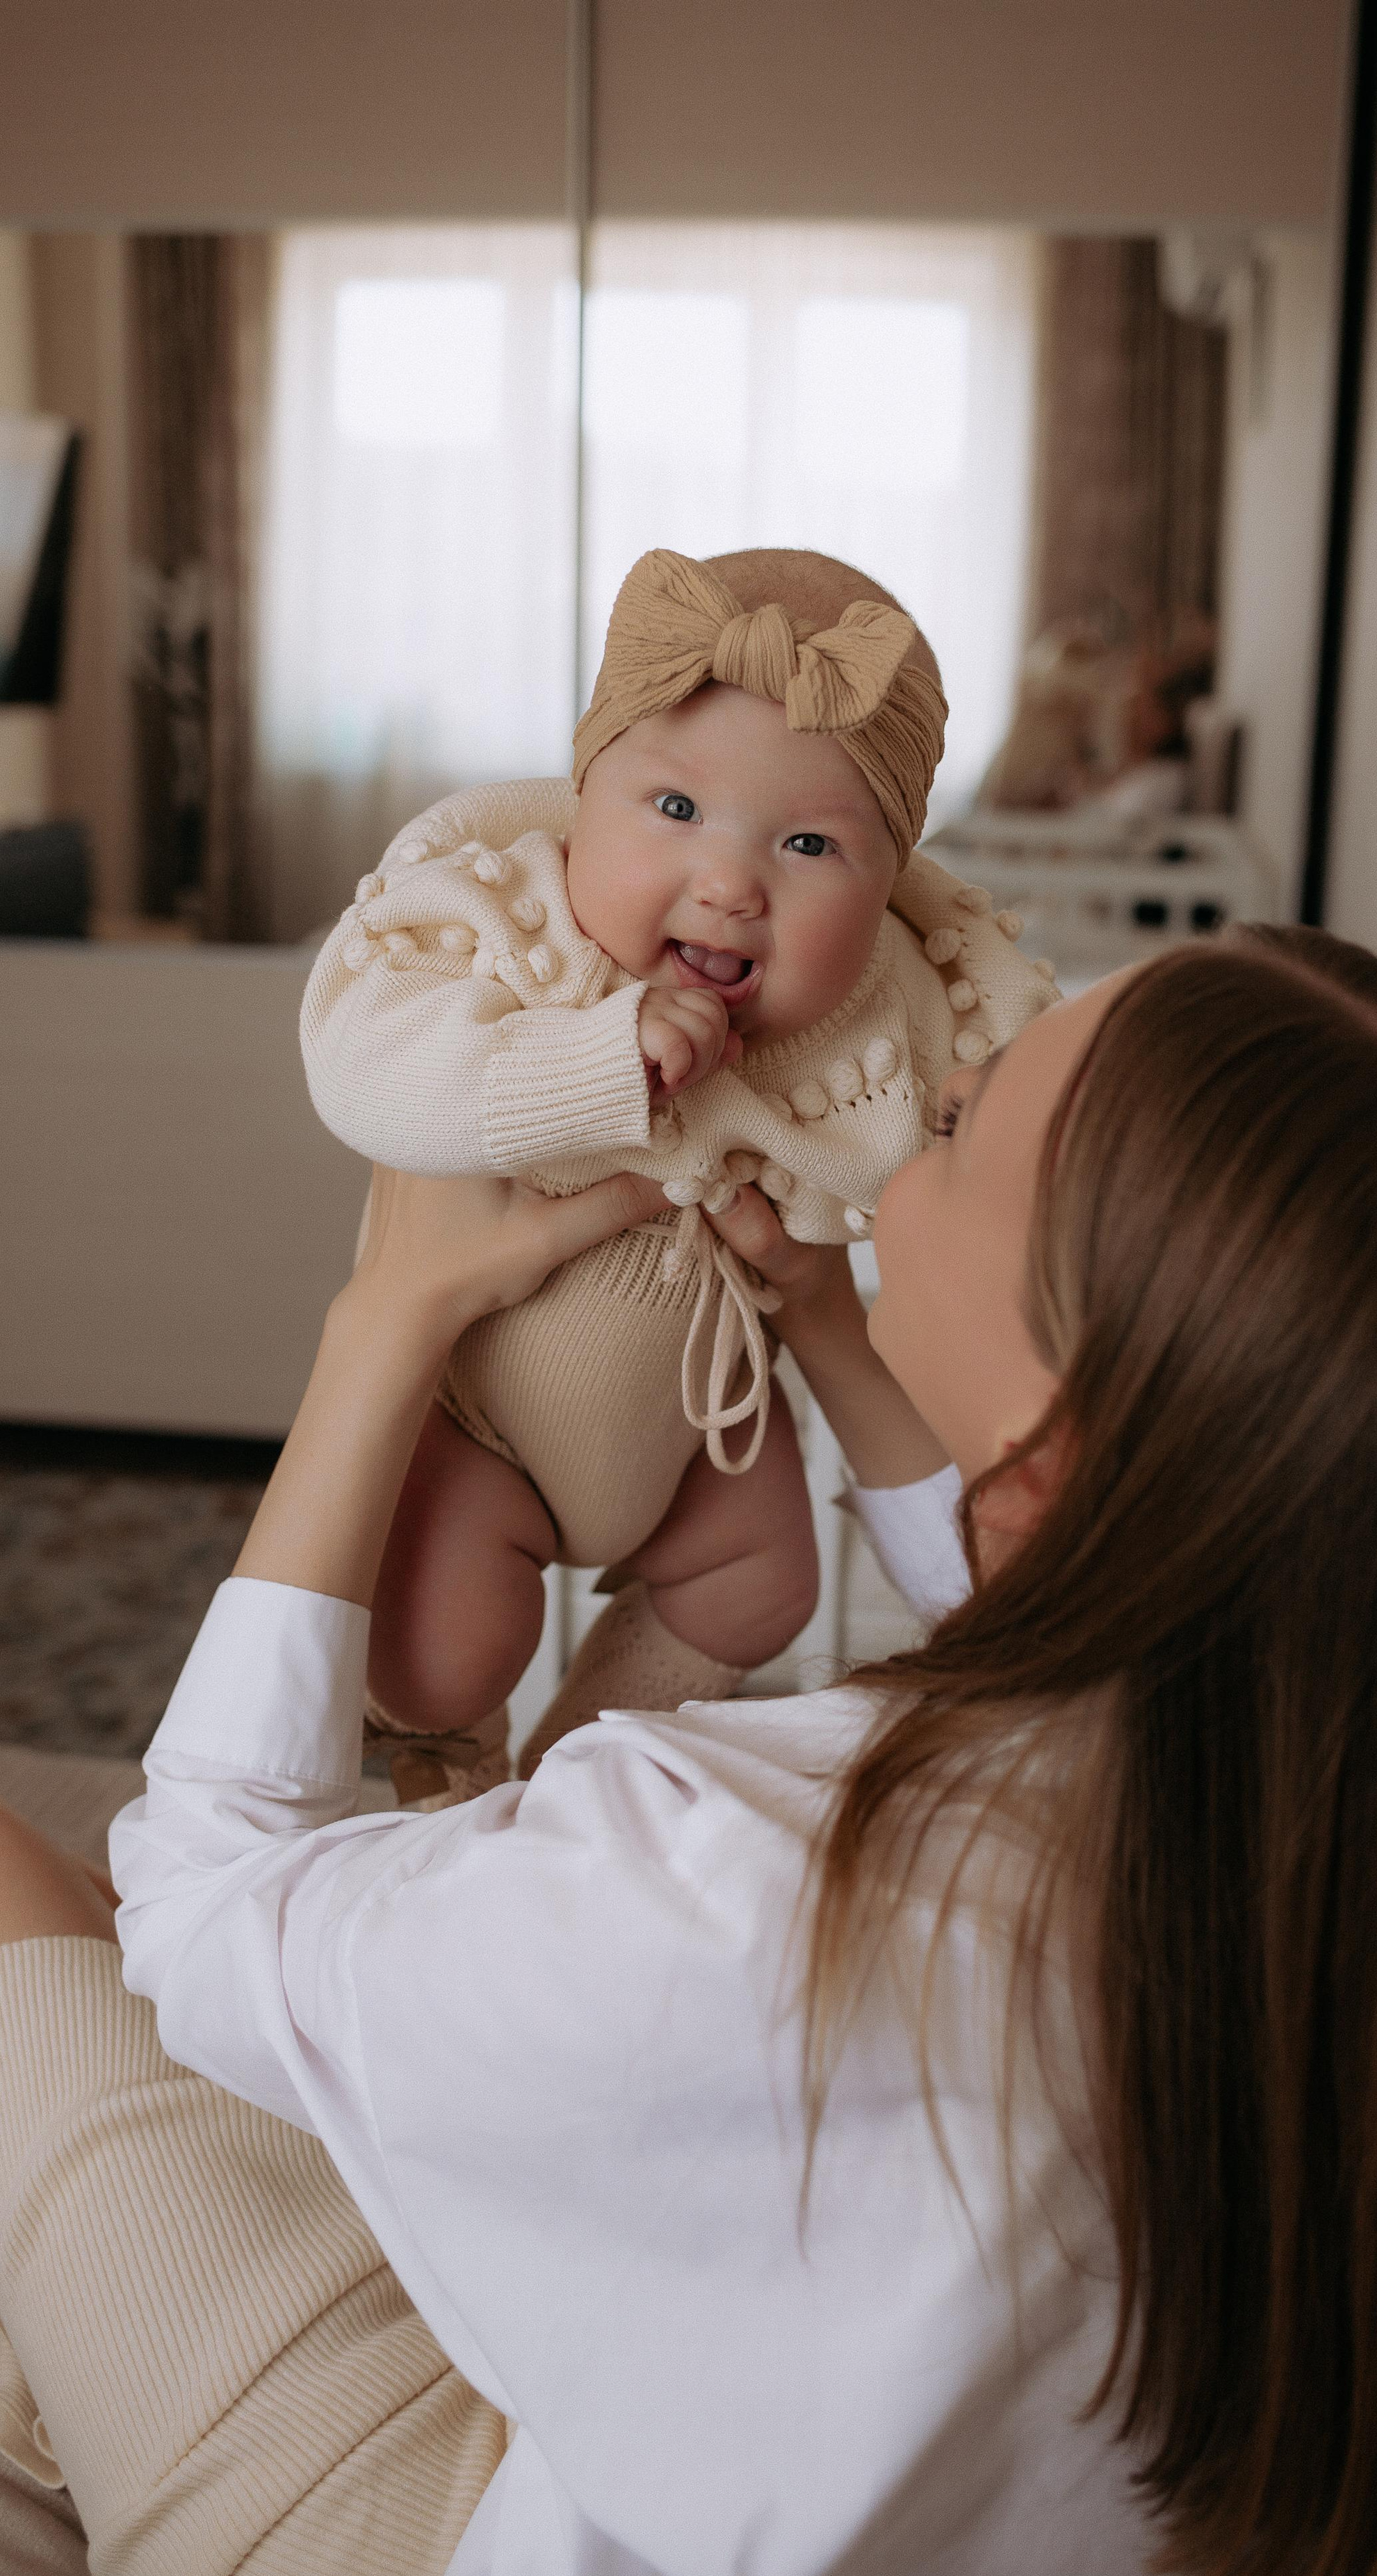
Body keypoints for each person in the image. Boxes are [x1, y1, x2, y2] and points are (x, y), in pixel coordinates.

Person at [0, 924, 1377, 2576]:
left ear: (1063, 1457)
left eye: (971, 1124)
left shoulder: (746, 1878)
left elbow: (203, 1916)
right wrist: (833, 1327)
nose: (936, 1094)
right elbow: (1061, 1604)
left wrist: (381, 1326)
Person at [300, 543, 1053, 1800]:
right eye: (676, 810)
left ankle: (570, 1772)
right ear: (584, 792)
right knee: (440, 1651)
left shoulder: (886, 1009)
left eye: (811, 844)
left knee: (766, 1582)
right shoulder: (508, 926)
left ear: (890, 889)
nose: (730, 883)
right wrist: (586, 1064)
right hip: (486, 1406)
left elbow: (987, 1114)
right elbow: (355, 1061)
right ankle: (449, 1750)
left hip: (705, 1416)